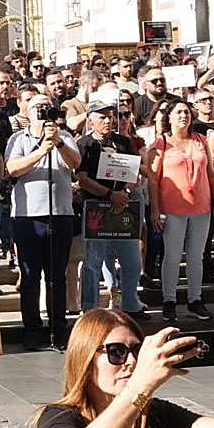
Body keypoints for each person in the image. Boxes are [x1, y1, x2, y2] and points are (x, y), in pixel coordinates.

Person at [34, 308, 214, 428]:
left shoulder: (156, 414)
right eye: (117, 352)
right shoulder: (58, 418)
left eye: (138, 351)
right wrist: (142, 386)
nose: (132, 362)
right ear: (85, 358)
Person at [6, 94, 81, 351]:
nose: (42, 110)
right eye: (37, 106)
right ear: (26, 109)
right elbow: (13, 169)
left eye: (46, 106)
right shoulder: (18, 139)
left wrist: (57, 142)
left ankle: (57, 328)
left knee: (56, 275)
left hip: (59, 214)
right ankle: (32, 329)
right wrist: (41, 150)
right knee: (29, 276)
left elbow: (75, 163)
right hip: (28, 216)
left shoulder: (65, 137)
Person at [146, 99, 214, 323]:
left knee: (197, 256)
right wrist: (155, 210)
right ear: (168, 117)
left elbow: (210, 172)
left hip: (201, 207)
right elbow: (153, 180)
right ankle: (169, 301)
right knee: (171, 256)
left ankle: (195, 300)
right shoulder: (160, 144)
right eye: (179, 112)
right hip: (172, 208)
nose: (184, 116)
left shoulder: (200, 139)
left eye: (187, 112)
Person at [77, 100, 147, 320]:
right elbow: (82, 179)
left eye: (111, 116)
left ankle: (129, 304)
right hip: (97, 207)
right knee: (93, 262)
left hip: (124, 206)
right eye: (102, 117)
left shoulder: (124, 142)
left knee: (132, 262)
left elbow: (134, 173)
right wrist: (109, 195)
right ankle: (89, 309)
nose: (108, 121)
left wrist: (125, 192)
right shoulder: (84, 144)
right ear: (91, 120)